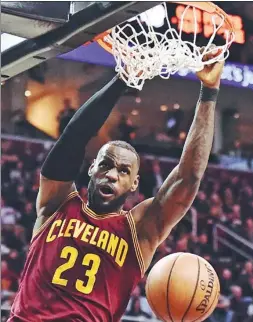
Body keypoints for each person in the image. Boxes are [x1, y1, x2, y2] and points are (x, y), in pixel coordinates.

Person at [8, 47, 224, 322]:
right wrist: (123, 79)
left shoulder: (140, 230)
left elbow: (188, 178)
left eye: (123, 171)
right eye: (106, 165)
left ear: (134, 184)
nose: (112, 174)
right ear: (91, 169)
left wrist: (209, 92)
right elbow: (74, 135)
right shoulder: (57, 203)